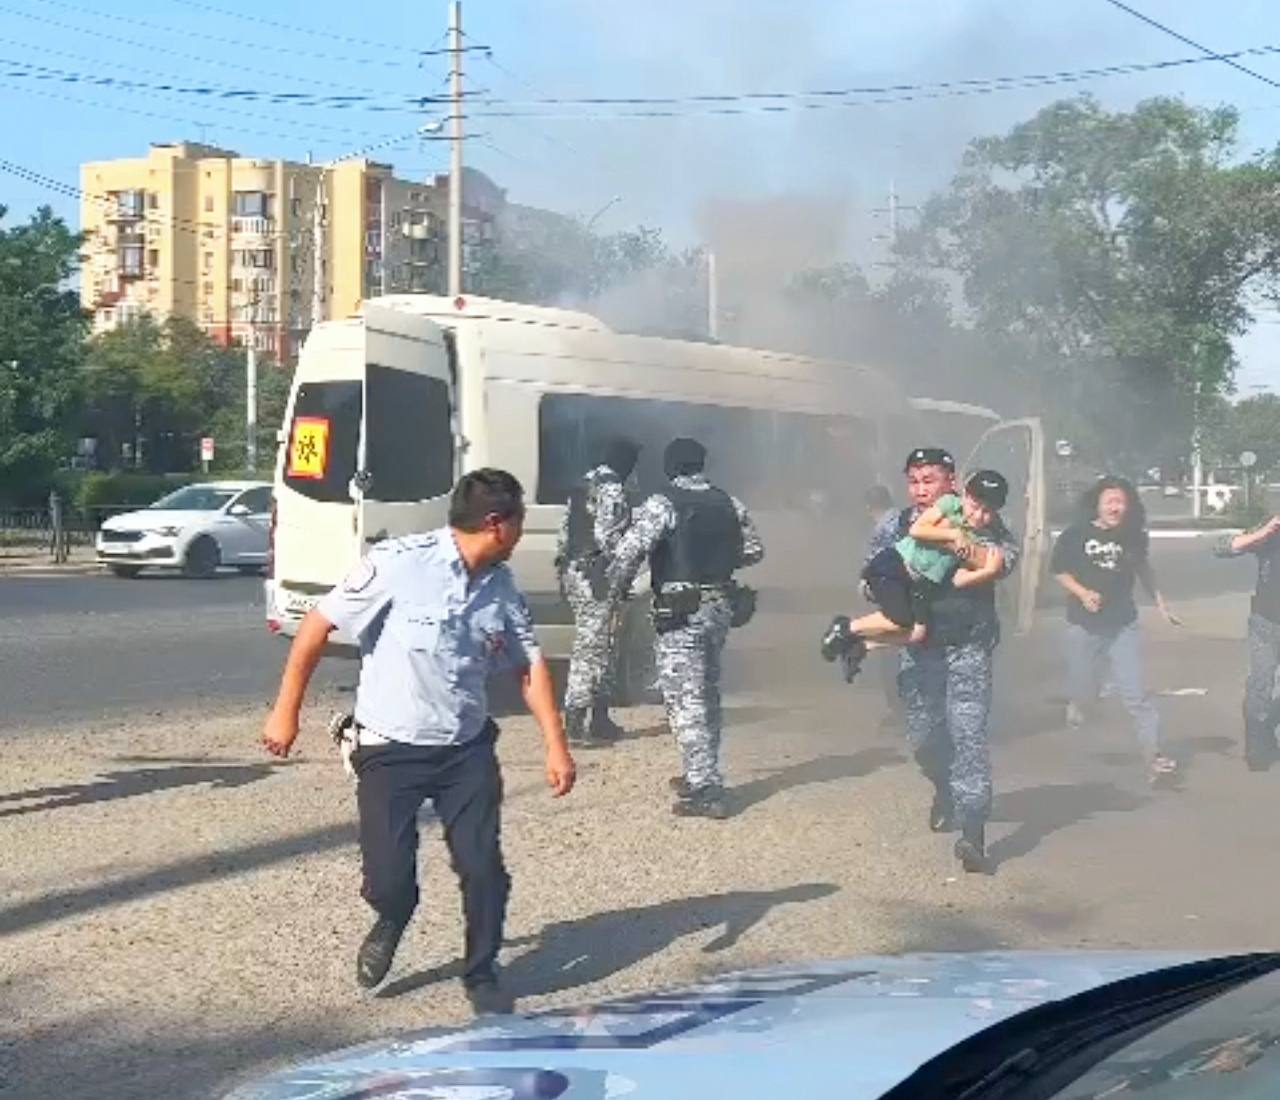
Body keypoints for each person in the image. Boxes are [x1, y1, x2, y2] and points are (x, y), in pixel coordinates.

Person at [261, 469, 576, 1014]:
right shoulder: (399, 564)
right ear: (497, 524)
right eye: (521, 520)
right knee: (388, 877)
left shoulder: (501, 586)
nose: (523, 531)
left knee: (483, 867)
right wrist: (284, 711)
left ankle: (482, 973)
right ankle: (393, 913)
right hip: (390, 748)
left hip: (466, 749)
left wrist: (556, 744)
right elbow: (316, 626)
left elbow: (529, 666)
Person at [851, 447, 1020, 872]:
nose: (921, 490)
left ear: (952, 482)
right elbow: (867, 579)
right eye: (913, 481)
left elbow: (1002, 562)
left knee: (969, 737)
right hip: (919, 648)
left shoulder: (987, 518)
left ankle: (973, 832)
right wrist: (886, 591)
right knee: (924, 740)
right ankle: (945, 789)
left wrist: (963, 545)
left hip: (968, 645)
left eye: (930, 480)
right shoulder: (895, 525)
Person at [608, 437, 764, 819]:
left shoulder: (662, 503)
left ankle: (706, 787)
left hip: (682, 609)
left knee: (684, 697)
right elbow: (754, 550)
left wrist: (614, 590)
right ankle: (701, 772)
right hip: (720, 605)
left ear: (671, 465)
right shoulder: (730, 503)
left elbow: (629, 552)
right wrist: (716, 561)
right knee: (706, 691)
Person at [1050, 475, 1180, 785]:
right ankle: (1079, 701)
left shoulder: (1133, 537)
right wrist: (1082, 593)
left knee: (1135, 695)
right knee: (1085, 690)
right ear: (1097, 503)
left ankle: (1153, 756)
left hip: (1123, 624)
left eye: (1121, 501)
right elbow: (1058, 571)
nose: (1115, 506)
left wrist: (1161, 603)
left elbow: (1143, 569)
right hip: (1083, 625)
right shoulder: (1074, 534)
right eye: (1110, 500)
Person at [825, 470, 1010, 677]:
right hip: (895, 567)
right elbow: (917, 530)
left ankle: (863, 645)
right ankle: (846, 628)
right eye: (975, 507)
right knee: (901, 620)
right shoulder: (950, 505)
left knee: (917, 634)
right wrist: (952, 534)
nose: (978, 516)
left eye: (987, 512)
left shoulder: (977, 540)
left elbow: (958, 580)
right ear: (965, 495)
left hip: (921, 585)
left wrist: (988, 572)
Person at [555, 437, 641, 749]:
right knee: (592, 648)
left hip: (576, 571)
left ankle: (601, 719)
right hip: (598, 575)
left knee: (603, 643)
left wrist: (563, 574)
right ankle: (577, 722)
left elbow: (564, 533)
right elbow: (610, 538)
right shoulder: (613, 489)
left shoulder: (583, 483)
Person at [1215, 514, 1280, 770]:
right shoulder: (1271, 529)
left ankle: (1265, 731)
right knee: (1261, 684)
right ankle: (1257, 746)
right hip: (1266, 622)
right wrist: (1262, 533)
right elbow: (1221, 547)